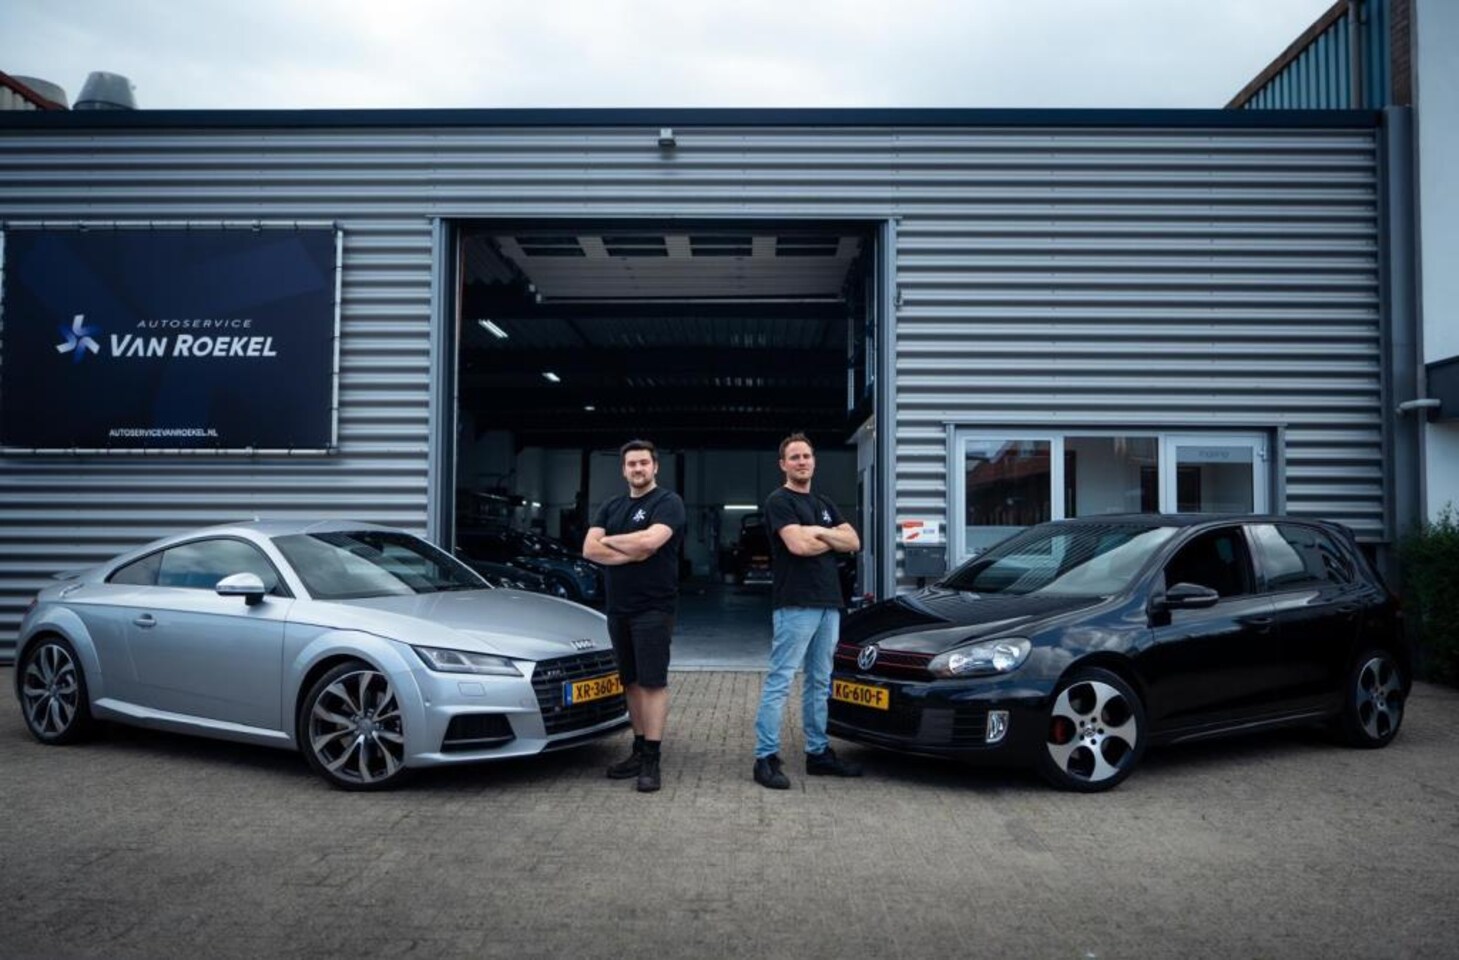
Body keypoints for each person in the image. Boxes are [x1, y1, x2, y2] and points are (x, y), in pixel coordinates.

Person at [752, 432, 863, 789]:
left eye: (807, 456)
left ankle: (818, 754)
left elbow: (854, 541)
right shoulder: (779, 501)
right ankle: (765, 757)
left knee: (820, 681)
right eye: (795, 457)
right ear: (783, 464)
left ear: (814, 461)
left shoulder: (824, 502)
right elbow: (798, 546)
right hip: (796, 603)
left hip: (829, 603)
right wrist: (829, 536)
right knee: (781, 680)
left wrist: (817, 532)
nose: (802, 462)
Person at [582, 439, 686, 793]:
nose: (638, 469)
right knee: (630, 681)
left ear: (655, 466)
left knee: (652, 682)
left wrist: (612, 541)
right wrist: (631, 546)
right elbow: (589, 549)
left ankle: (652, 760)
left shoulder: (668, 503)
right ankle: (638, 749)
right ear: (623, 469)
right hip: (618, 608)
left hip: (653, 608)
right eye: (631, 464)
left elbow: (649, 544)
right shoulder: (611, 506)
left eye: (644, 462)